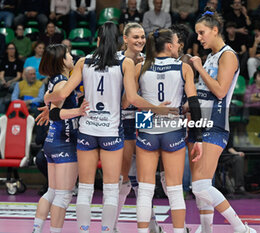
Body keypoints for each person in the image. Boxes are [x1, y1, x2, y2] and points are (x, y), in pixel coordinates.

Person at [43, 21, 136, 233]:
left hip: (87, 129)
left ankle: (84, 230)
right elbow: (130, 98)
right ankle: (106, 230)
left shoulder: (84, 61)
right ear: (119, 41)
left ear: (98, 39)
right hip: (111, 130)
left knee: (85, 188)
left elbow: (63, 94)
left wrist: (47, 97)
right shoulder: (126, 63)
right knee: (111, 189)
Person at [124, 27, 202, 233]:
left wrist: (151, 105)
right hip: (172, 124)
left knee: (145, 190)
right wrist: (198, 137)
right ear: (169, 46)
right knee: (175, 190)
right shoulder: (183, 67)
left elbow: (128, 101)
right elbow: (194, 104)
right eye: (177, 42)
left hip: (147, 122)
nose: (179, 46)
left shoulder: (140, 66)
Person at [189, 8, 256, 233]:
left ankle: (241, 229)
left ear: (215, 30)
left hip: (215, 125)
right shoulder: (210, 56)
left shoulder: (228, 55)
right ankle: (206, 230)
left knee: (199, 186)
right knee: (201, 186)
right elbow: (203, 91)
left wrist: (198, 68)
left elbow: (219, 91)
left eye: (202, 33)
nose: (199, 38)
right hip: (200, 124)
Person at [114, 22, 165, 233]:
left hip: (144, 118)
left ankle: (152, 226)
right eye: (135, 37)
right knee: (124, 179)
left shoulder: (150, 61)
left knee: (144, 179)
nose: (140, 41)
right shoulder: (116, 60)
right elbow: (125, 100)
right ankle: (111, 226)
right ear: (125, 38)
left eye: (142, 37)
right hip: (122, 119)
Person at [32, 44, 89, 233]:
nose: (72, 57)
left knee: (52, 191)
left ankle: (36, 229)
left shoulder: (56, 81)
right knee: (63, 196)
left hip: (52, 142)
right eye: (68, 55)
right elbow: (57, 113)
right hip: (63, 141)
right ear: (62, 61)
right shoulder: (63, 83)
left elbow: (54, 106)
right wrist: (79, 111)